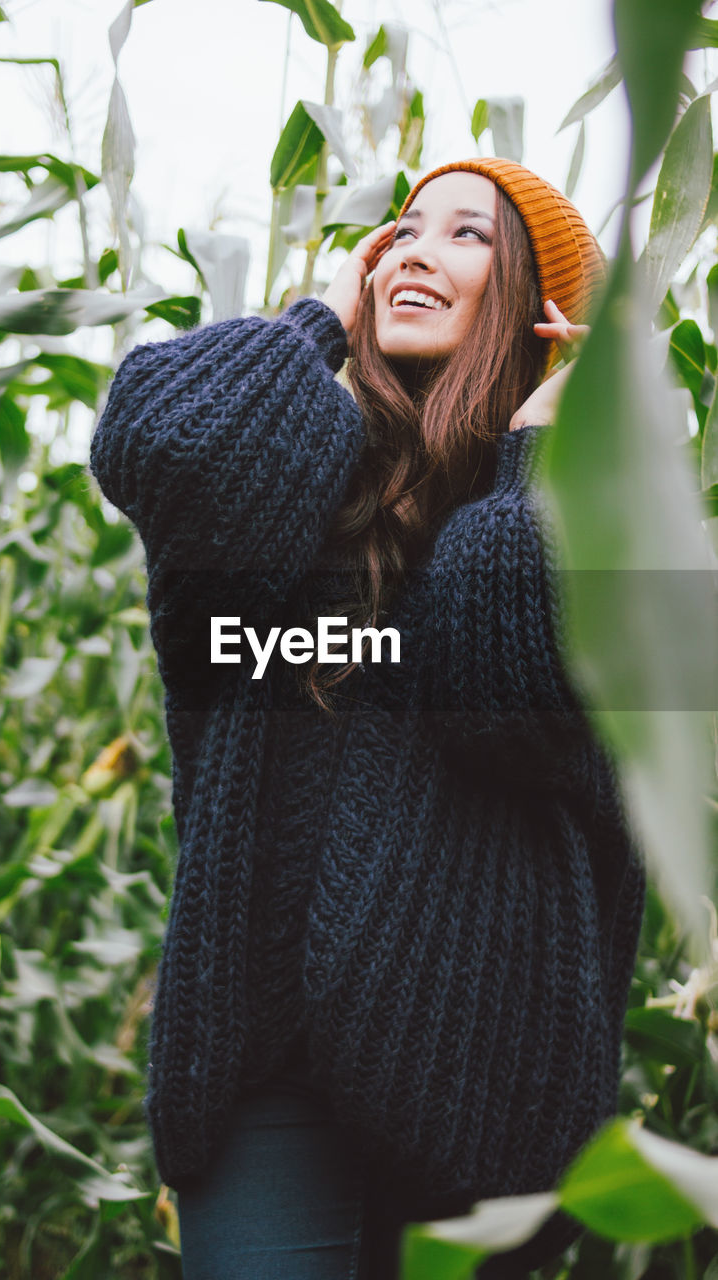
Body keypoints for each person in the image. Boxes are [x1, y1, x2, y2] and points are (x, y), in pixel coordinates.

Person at [88, 157, 647, 1280]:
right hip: (264, 1069)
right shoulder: (287, 494)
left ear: (543, 308)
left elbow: (507, 694)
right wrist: (315, 323)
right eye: (399, 233)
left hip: (488, 1074)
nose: (411, 250)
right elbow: (160, 442)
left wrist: (545, 451)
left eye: (466, 236)